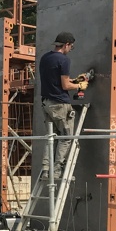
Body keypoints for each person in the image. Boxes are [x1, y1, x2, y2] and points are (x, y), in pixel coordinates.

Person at [38, 32, 89, 178]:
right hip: (60, 104)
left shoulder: (45, 58)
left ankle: (46, 169)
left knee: (51, 137)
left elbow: (56, 81)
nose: (70, 49)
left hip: (47, 103)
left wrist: (74, 80)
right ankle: (57, 170)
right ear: (66, 44)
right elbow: (65, 86)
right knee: (66, 137)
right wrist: (79, 85)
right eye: (71, 46)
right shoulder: (64, 60)